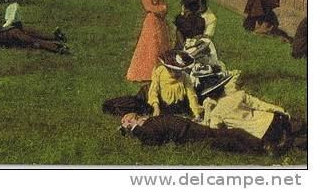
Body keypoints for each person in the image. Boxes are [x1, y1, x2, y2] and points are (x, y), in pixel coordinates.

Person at [202, 90, 305, 155]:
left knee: (287, 141)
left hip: (263, 133)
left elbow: (214, 131)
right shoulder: (238, 95)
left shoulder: (216, 114)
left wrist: (208, 112)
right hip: (274, 119)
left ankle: (291, 141)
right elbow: (261, 104)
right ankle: (295, 131)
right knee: (293, 127)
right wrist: (282, 111)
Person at [119, 113, 271, 155]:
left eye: (131, 117)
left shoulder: (151, 119)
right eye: (128, 120)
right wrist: (133, 129)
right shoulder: (145, 131)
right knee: (223, 141)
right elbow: (152, 141)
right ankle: (261, 150)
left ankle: (263, 145)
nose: (128, 119)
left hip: (192, 126)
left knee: (235, 132)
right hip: (187, 134)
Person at [126, 0, 171, 82]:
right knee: (152, 43)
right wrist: (163, 8)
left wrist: (163, 8)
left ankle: (160, 70)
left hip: (159, 21)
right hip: (152, 20)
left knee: (160, 42)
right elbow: (151, 8)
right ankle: (147, 72)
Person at [147, 50, 203, 119]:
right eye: (175, 71)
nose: (178, 74)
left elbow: (191, 95)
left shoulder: (185, 77)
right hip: (162, 105)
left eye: (180, 71)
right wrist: (156, 106)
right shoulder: (160, 71)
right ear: (168, 69)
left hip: (179, 106)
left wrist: (196, 113)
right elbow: (153, 90)